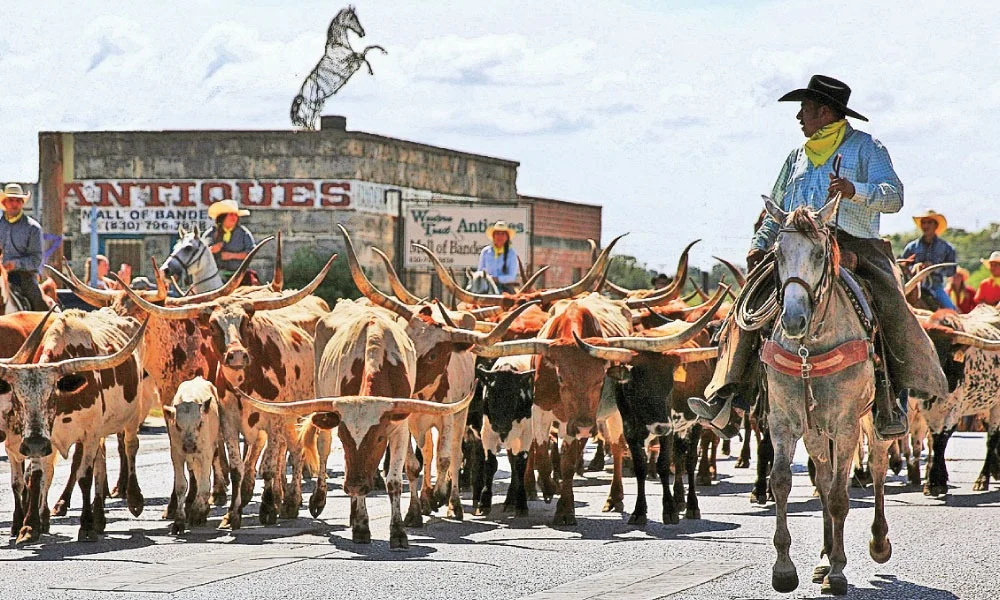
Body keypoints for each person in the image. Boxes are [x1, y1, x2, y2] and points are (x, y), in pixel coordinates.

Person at [688, 75, 948, 440]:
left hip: (855, 245)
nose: (799, 117)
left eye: (805, 110)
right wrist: (760, 243)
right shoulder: (795, 157)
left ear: (825, 111)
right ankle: (727, 396)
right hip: (798, 247)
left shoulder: (866, 148)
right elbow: (778, 208)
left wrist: (855, 190)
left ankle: (890, 399)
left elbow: (894, 196)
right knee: (745, 309)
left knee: (890, 306)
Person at [0, 183, 47, 311]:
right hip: (1, 276)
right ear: (4, 203)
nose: (14, 204)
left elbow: (36, 260)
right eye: (11, 200)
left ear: (22, 203)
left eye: (18, 200)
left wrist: (15, 264)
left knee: (40, 305)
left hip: (23, 278)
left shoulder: (33, 228)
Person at [900, 209, 957, 310]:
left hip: (935, 287)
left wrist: (933, 268)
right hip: (912, 287)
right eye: (923, 222)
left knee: (951, 312)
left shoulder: (946, 248)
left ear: (936, 225)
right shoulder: (911, 247)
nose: (925, 225)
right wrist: (915, 267)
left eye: (929, 222)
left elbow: (951, 271)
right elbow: (901, 268)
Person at [204, 199, 256, 283]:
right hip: (215, 275)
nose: (234, 218)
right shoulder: (211, 233)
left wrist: (231, 255)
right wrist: (212, 250)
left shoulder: (243, 233)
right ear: (223, 217)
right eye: (231, 215)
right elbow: (202, 251)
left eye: (236, 215)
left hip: (240, 275)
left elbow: (251, 252)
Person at [477, 220, 519, 293]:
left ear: (507, 237)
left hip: (505, 288)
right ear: (493, 236)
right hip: (486, 287)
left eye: (503, 234)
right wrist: (487, 279)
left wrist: (497, 279)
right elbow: (480, 272)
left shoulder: (512, 253)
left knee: (516, 302)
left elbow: (512, 277)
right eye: (497, 234)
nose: (500, 236)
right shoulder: (485, 252)